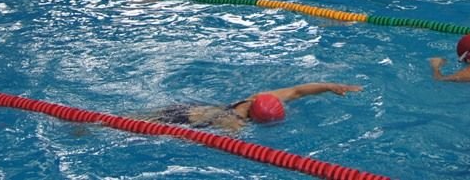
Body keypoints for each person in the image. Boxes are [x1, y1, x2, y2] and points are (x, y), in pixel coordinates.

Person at [143, 82, 362, 132]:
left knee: (131, 118)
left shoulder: (254, 99)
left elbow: (297, 91)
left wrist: (329, 86)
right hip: (181, 121)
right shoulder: (234, 125)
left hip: (187, 108)